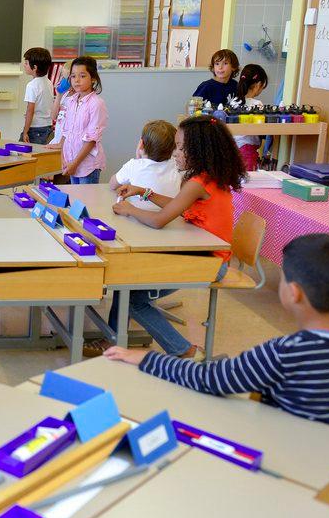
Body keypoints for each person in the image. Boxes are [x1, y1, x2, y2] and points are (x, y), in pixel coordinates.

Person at [106, 234, 329, 438]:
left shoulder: (286, 351)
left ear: (293, 294)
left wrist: (146, 358)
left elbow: (210, 379)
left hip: (286, 463)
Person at [103, 115, 246, 358]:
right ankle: (115, 339)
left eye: (180, 149)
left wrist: (130, 208)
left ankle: (185, 352)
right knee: (128, 281)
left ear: (199, 151)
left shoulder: (197, 183)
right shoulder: (207, 178)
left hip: (210, 263)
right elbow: (177, 205)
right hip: (205, 255)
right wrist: (144, 192)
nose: (176, 154)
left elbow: (159, 220)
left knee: (135, 298)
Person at [109, 120, 181, 210]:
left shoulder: (133, 165)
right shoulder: (177, 165)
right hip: (171, 217)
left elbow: (112, 185)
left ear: (141, 144)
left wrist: (138, 161)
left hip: (138, 217)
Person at [58, 57, 108, 184]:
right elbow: (66, 132)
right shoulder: (71, 101)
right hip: (71, 161)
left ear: (93, 79)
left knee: (86, 202)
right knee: (76, 201)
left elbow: (92, 139)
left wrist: (75, 164)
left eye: (82, 76)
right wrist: (63, 158)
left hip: (87, 166)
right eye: (73, 76)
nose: (77, 80)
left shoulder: (96, 103)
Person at [228, 64, 268, 171]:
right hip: (247, 150)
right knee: (248, 183)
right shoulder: (257, 104)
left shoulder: (233, 102)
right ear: (259, 84)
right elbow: (262, 129)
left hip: (231, 149)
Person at [20, 47, 54, 144]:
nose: (24, 65)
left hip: (35, 129)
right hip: (48, 126)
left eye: (26, 63)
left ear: (34, 67)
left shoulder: (32, 85)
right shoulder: (48, 82)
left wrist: (25, 131)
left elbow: (30, 110)